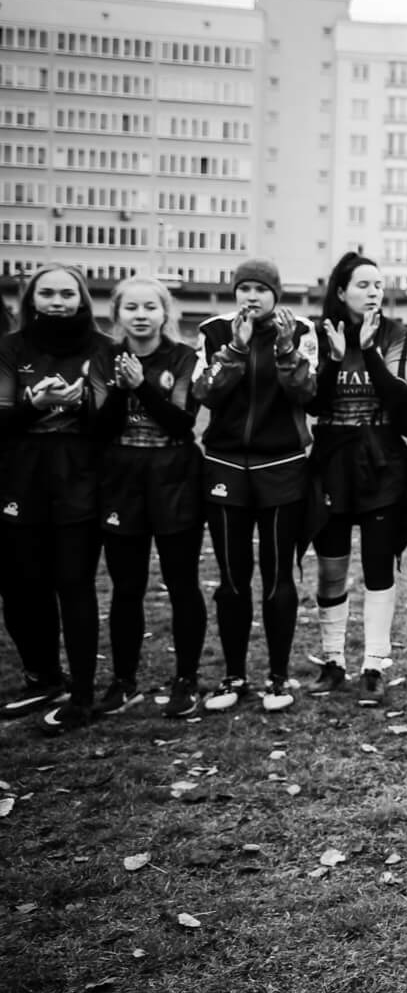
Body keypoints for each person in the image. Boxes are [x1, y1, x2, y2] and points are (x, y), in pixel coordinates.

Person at [193, 258, 316, 713]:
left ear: (275, 294)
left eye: (261, 288)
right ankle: (233, 675)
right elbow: (205, 392)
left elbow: (306, 391)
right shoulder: (212, 331)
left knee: (279, 573)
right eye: (243, 287)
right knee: (232, 576)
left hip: (282, 464)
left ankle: (279, 677)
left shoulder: (301, 329)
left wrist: (285, 349)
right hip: (225, 464)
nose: (252, 296)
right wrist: (236, 351)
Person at [0, 264, 112, 729]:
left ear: (83, 300)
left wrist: (81, 401)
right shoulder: (10, 348)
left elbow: (110, 420)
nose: (58, 301)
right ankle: (43, 677)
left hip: (80, 479)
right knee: (22, 588)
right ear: (32, 300)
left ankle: (82, 695)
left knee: (75, 585)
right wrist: (33, 404)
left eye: (68, 293)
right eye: (47, 293)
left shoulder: (104, 349)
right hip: (19, 478)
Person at [307, 251, 407, 707]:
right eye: (364, 285)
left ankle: (374, 664)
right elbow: (313, 401)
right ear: (341, 291)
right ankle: (333, 661)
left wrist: (369, 351)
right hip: (332, 458)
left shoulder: (395, 335)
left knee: (377, 563)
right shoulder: (317, 334)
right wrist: (334, 359)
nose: (374, 292)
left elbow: (400, 399)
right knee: (331, 567)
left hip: (382, 460)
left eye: (378, 285)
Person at [96, 276, 203, 716]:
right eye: (132, 308)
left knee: (181, 584)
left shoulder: (183, 358)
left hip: (174, 477)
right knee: (126, 586)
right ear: (118, 314)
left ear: (165, 313)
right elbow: (100, 429)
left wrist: (140, 386)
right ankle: (124, 681)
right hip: (122, 481)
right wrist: (122, 388)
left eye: (150, 307)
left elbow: (181, 422)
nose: (141, 316)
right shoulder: (104, 360)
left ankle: (187, 680)